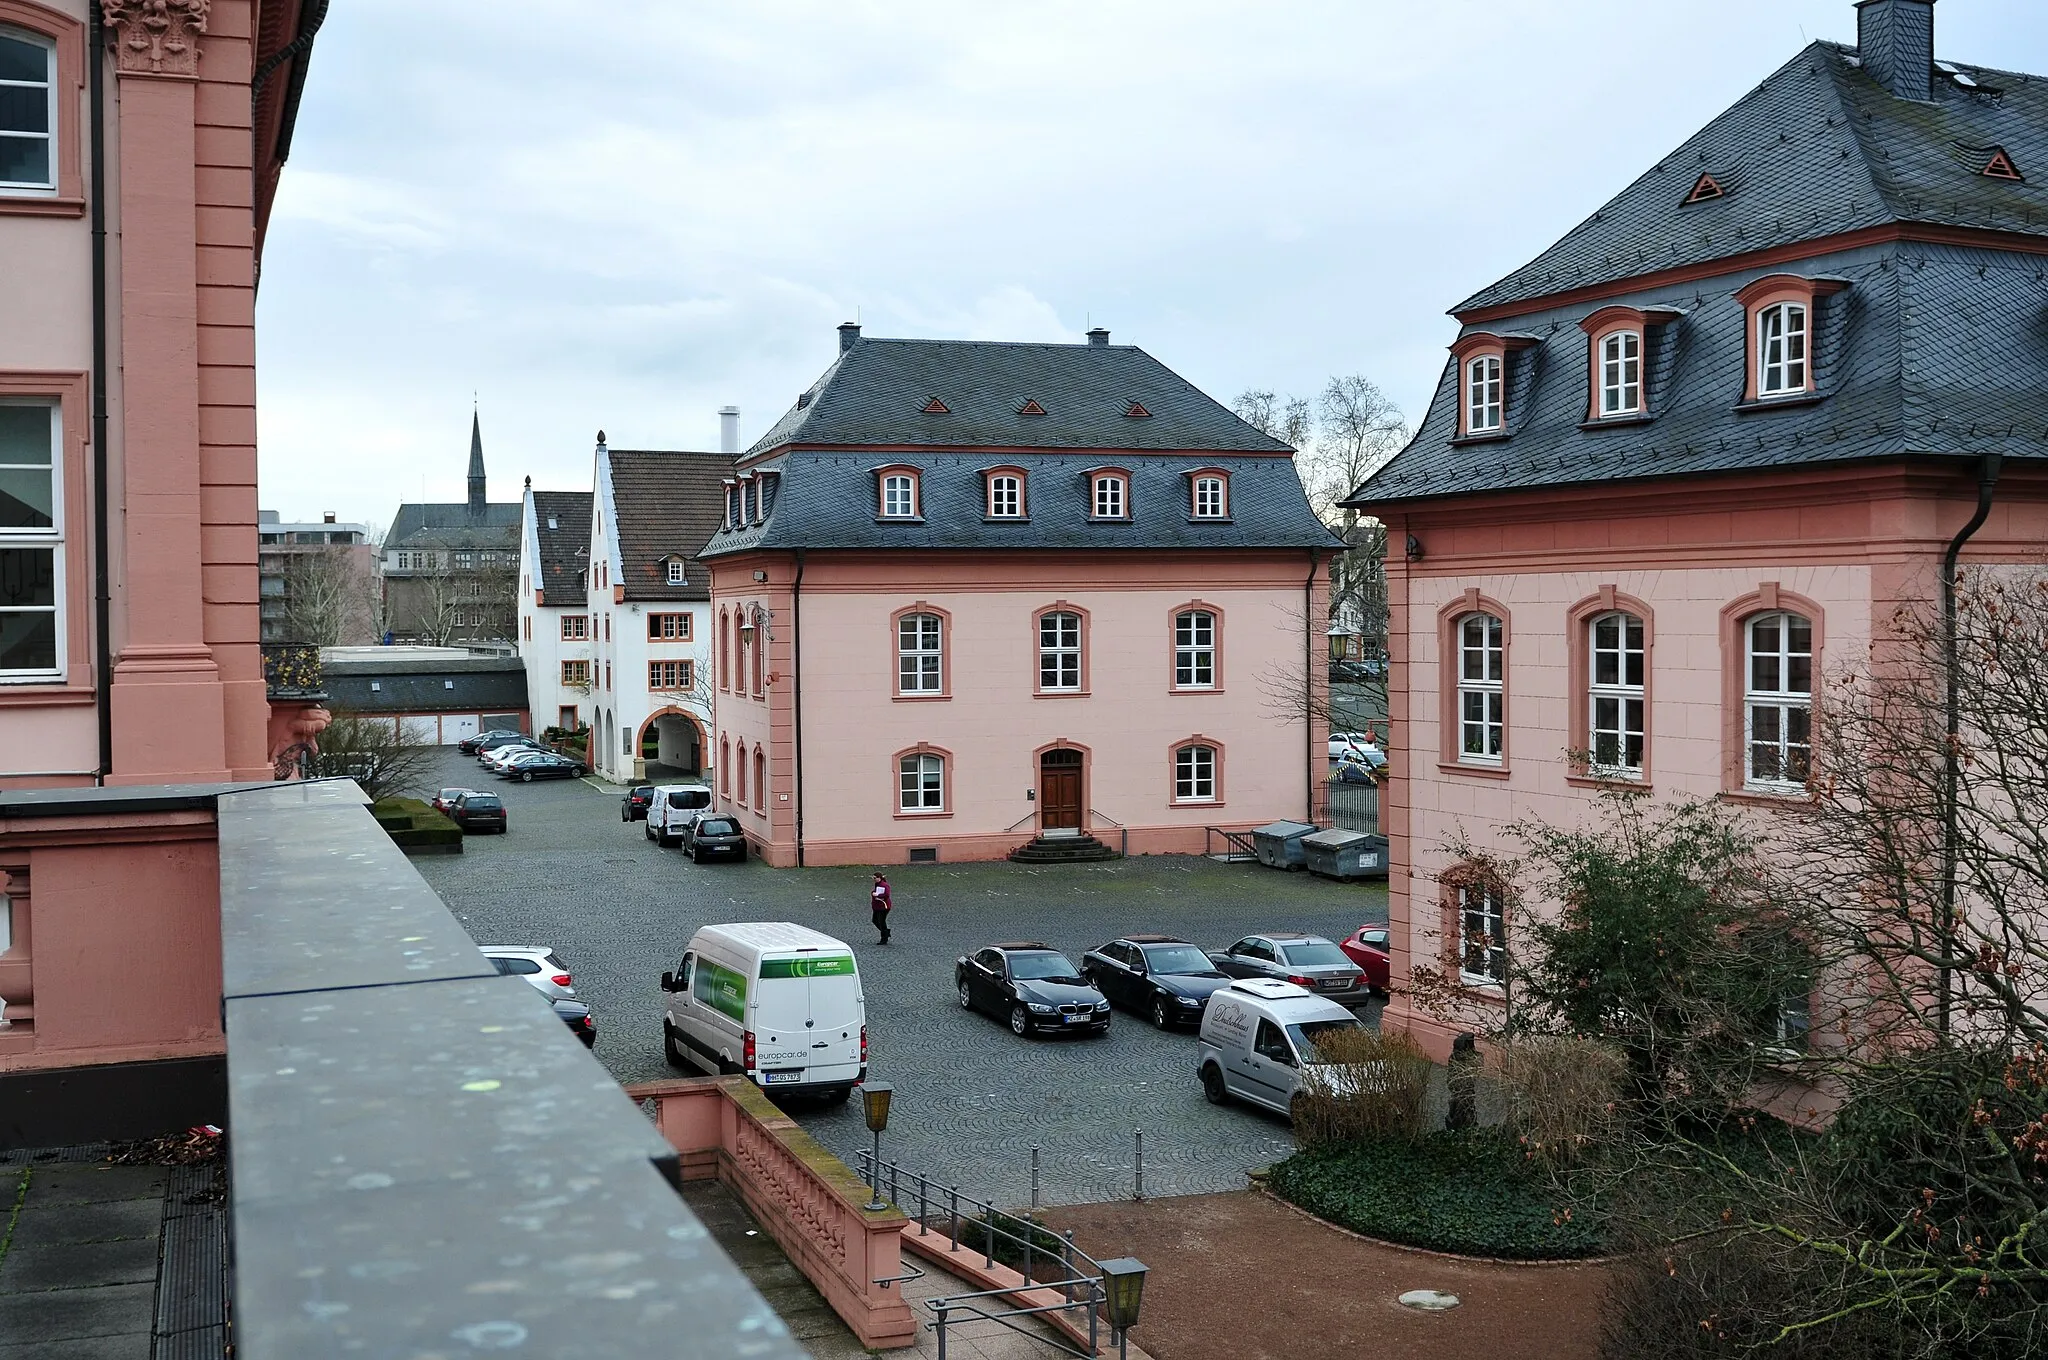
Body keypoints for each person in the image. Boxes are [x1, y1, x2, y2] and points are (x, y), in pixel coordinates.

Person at [870, 873, 893, 945]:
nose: (873, 879)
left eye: (875, 878)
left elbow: (886, 895)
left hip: (883, 907)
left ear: (879, 878)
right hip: (877, 906)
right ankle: (886, 932)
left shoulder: (884, 885)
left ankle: (884, 938)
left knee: (881, 922)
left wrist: (877, 895)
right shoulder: (878, 884)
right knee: (875, 920)